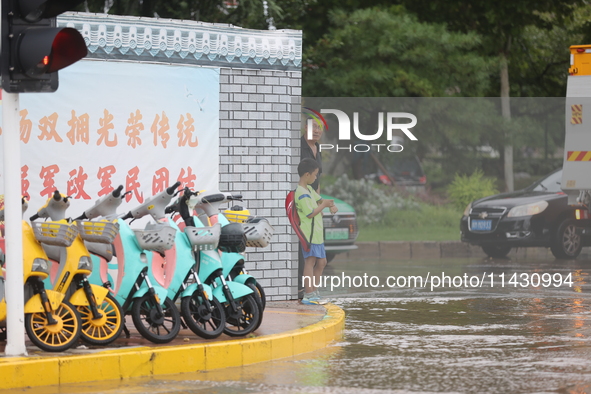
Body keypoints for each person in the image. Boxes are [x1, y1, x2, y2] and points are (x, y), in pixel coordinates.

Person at [296, 158, 338, 305]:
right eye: (314, 175)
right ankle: (309, 293)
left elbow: (320, 201)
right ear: (307, 175)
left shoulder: (309, 190)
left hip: (317, 234)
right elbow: (310, 213)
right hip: (309, 234)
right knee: (311, 261)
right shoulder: (301, 193)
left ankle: (314, 291)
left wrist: (330, 205)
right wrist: (324, 206)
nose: (315, 178)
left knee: (322, 262)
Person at [301, 121, 323, 193]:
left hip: (312, 199)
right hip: (300, 197)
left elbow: (317, 178)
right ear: (306, 127)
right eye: (313, 126)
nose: (316, 131)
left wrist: (318, 201)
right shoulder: (297, 146)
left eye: (320, 127)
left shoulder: (318, 147)